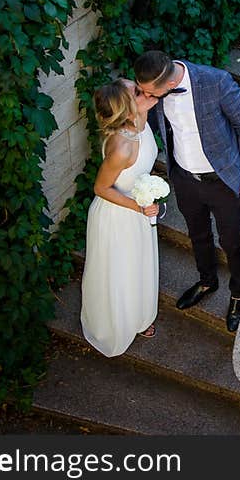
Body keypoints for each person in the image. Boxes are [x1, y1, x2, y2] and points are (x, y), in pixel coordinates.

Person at [133, 50, 240, 332]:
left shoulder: (216, 81)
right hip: (184, 179)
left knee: (232, 240)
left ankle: (238, 293)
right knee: (198, 234)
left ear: (167, 85)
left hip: (222, 179)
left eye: (150, 92)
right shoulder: (155, 91)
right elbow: (154, 125)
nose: (145, 96)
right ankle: (207, 280)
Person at [80, 78, 161, 356]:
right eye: (137, 92)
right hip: (117, 215)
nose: (144, 92)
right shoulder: (122, 148)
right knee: (121, 272)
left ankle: (139, 317)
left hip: (135, 210)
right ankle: (116, 325)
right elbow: (101, 188)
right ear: (127, 110)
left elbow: (150, 100)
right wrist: (139, 206)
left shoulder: (139, 120)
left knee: (138, 266)